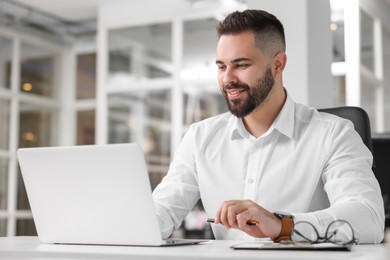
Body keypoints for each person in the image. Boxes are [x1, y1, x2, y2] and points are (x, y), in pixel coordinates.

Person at [152, 9, 385, 244]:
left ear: (278, 64)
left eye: (241, 65)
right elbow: (161, 210)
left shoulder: (334, 134)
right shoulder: (200, 138)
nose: (227, 79)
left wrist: (283, 225)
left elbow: (369, 219)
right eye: (221, 67)